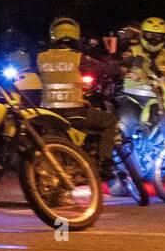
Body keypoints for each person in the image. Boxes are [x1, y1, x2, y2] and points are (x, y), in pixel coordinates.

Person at [38, 17, 118, 171]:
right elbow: (103, 69)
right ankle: (104, 164)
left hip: (48, 114)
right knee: (110, 121)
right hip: (74, 112)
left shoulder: (41, 57)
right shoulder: (77, 57)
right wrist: (116, 67)